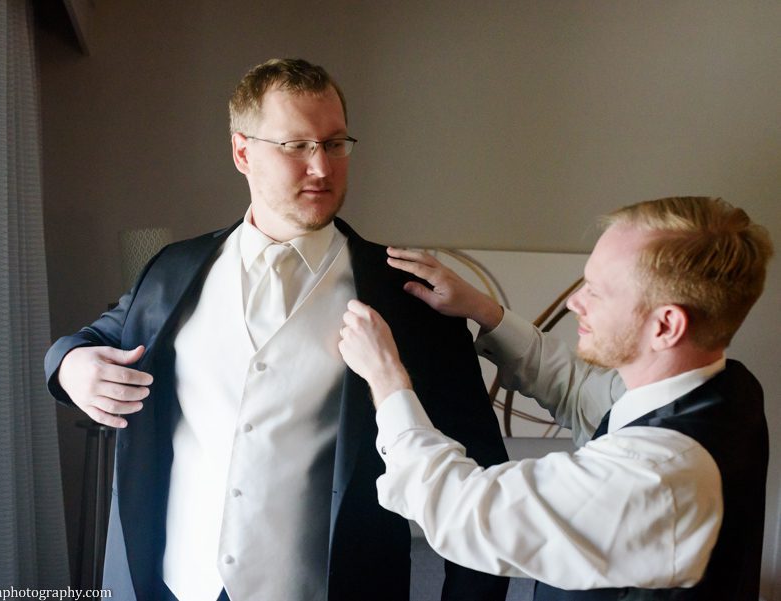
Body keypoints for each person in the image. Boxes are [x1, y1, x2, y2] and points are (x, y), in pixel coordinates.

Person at [44, 58, 509, 601]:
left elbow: (484, 480)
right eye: (296, 146)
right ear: (243, 151)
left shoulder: (409, 295)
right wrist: (71, 367)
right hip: (172, 583)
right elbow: (87, 343)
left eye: (335, 144)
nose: (322, 167)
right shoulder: (174, 268)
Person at [338, 196, 772, 599]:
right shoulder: (723, 387)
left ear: (665, 327)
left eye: (597, 291)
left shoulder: (655, 478)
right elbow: (581, 392)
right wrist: (483, 309)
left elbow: (463, 511)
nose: (575, 301)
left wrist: (387, 377)